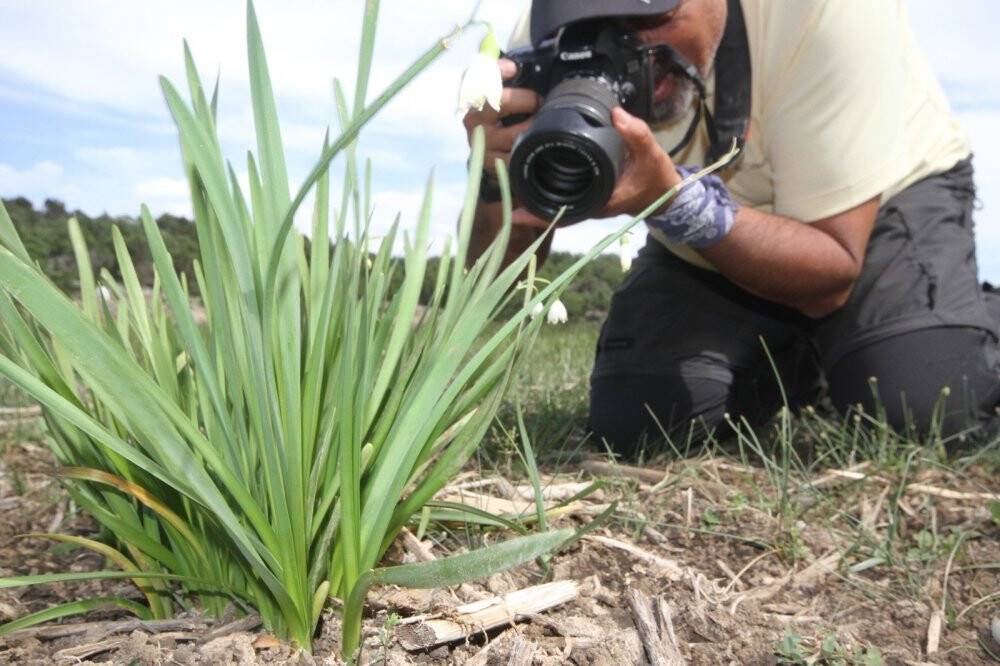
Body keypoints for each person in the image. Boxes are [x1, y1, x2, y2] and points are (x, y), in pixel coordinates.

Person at [463, 0, 1000, 456]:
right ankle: (811, 356)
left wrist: (675, 201)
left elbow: (833, 272)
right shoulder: (544, 45)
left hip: (880, 203)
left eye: (652, 15)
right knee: (641, 422)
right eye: (598, 25)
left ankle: (951, 317)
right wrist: (495, 179)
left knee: (926, 405)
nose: (632, 49)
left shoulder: (825, 12)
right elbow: (496, 283)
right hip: (707, 243)